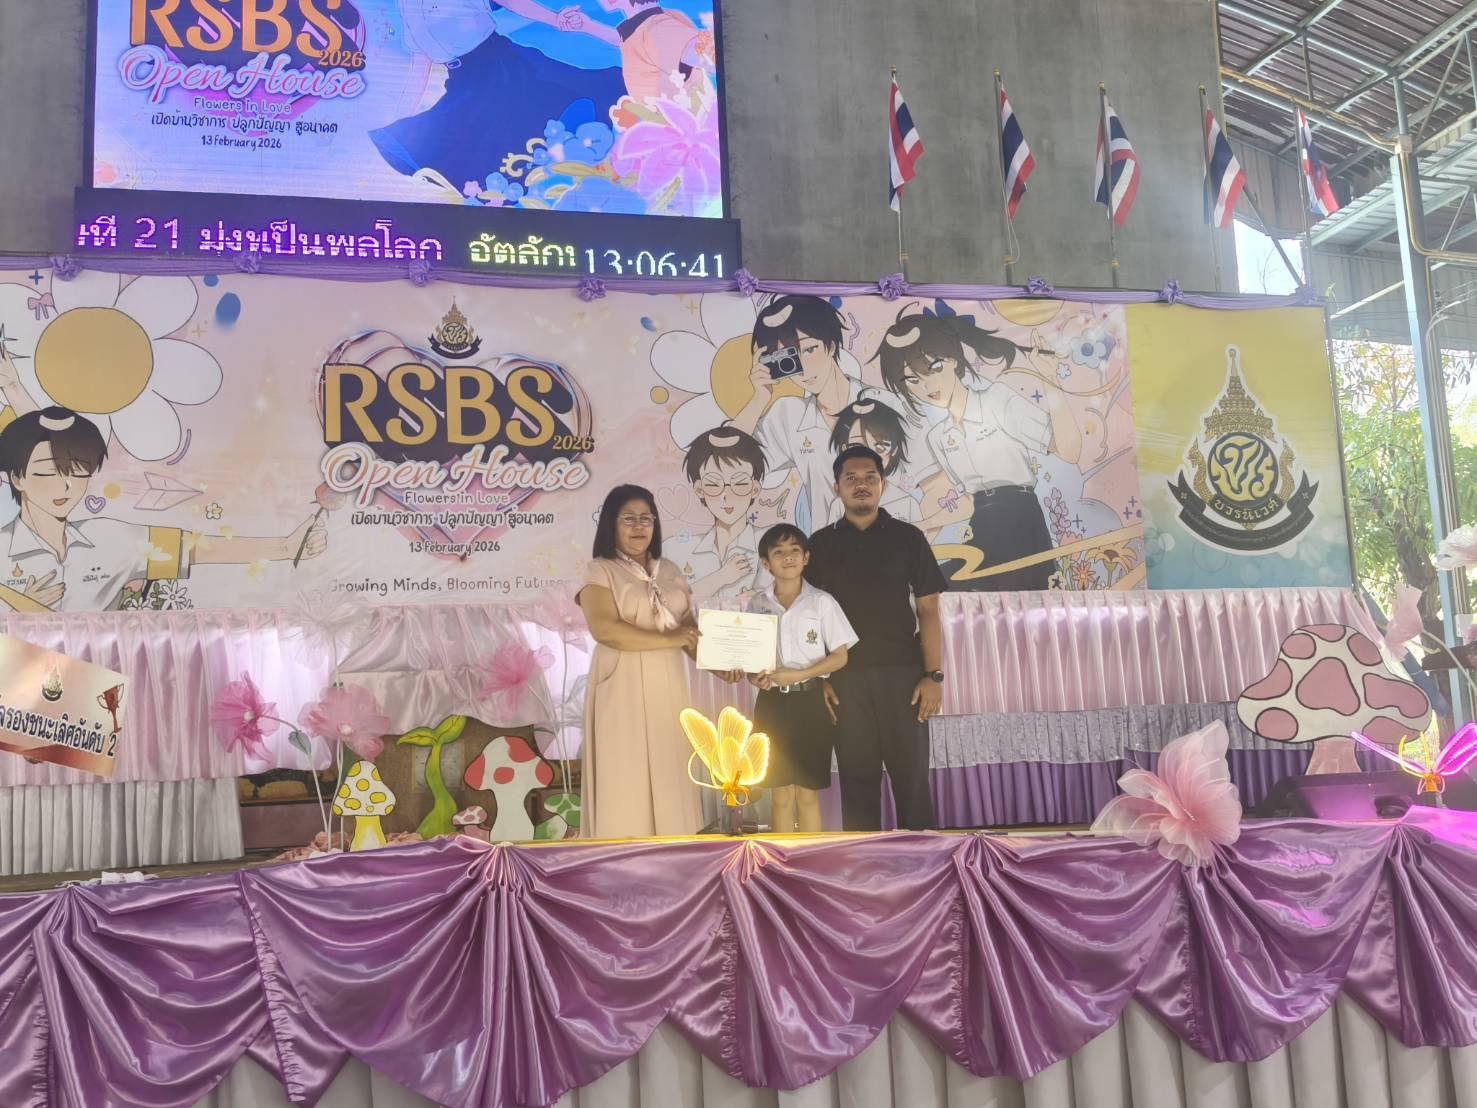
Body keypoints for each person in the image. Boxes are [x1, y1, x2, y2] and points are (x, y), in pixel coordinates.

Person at [0, 406, 325, 612]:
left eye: (78, 471)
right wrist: (13, 615)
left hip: (99, 685)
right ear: (16, 477)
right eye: (47, 472)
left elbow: (197, 549)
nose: (66, 486)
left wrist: (285, 547)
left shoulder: (110, 538)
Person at [874, 309, 1082, 591]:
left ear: (952, 360)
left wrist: (1050, 381)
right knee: (935, 587)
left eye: (934, 368)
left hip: (1020, 521)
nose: (927, 386)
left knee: (1021, 602)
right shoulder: (939, 437)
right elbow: (968, 502)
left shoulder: (997, 400)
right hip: (981, 527)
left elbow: (1069, 451)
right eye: (912, 380)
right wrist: (921, 526)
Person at [804, 445, 947, 831]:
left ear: (883, 484)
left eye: (870, 477)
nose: (861, 485)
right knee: (857, 783)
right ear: (837, 487)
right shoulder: (819, 545)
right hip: (845, 681)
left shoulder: (908, 538)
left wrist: (933, 676)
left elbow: (929, 610)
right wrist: (820, 680)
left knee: (912, 782)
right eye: (851, 478)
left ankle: (925, 861)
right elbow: (807, 618)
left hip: (905, 678)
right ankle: (862, 864)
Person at [576, 484, 705, 838]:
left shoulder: (670, 570)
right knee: (624, 771)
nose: (639, 527)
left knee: (670, 763)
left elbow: (689, 630)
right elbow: (605, 630)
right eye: (629, 519)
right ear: (611, 524)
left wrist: (724, 664)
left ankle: (676, 851)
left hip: (668, 684)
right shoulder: (599, 570)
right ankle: (622, 856)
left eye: (646, 519)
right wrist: (672, 639)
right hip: (621, 683)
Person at [730, 295, 896, 533]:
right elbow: (729, 464)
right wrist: (759, 399)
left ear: (831, 345)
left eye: (809, 349)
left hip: (886, 538)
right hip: (827, 545)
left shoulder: (885, 404)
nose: (804, 368)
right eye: (790, 358)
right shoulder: (789, 414)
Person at [745, 524, 856, 833]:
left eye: (795, 550)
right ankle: (781, 860)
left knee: (807, 794)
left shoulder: (822, 602)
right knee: (780, 795)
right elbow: (751, 658)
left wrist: (801, 674)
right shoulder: (757, 604)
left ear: (806, 558)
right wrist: (754, 676)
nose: (788, 557)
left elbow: (840, 656)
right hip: (771, 705)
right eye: (778, 552)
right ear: (766, 563)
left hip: (811, 703)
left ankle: (810, 858)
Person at [666, 427, 768, 601]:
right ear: (699, 489)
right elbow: (666, 603)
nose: (726, 495)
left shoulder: (769, 544)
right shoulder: (676, 549)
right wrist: (721, 577)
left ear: (755, 488)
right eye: (713, 485)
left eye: (740, 484)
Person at [825, 399, 922, 524]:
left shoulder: (908, 503)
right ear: (844, 449)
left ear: (894, 449)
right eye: (857, 446)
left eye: (880, 446)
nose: (869, 456)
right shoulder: (839, 505)